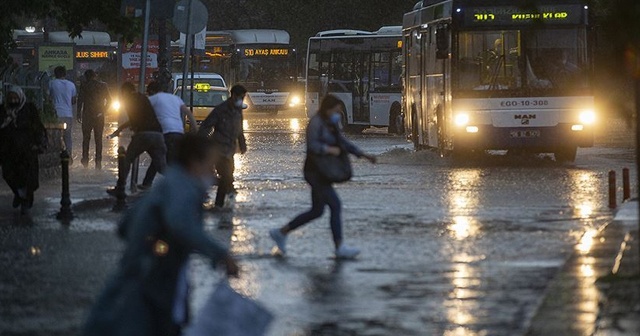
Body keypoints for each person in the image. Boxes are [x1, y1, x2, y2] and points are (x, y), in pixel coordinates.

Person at [82, 134, 239, 336]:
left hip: (136, 279)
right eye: (210, 165)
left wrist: (153, 241)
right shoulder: (184, 188)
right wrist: (221, 255)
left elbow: (125, 226)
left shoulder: (168, 183)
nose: (213, 173)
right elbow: (182, 225)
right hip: (156, 283)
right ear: (194, 162)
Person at [269, 94, 376, 259]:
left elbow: (343, 142)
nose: (338, 114)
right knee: (335, 205)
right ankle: (339, 247)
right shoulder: (316, 123)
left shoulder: (331, 124)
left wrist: (363, 155)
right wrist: (328, 149)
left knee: (316, 211)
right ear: (328, 109)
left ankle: (281, 232)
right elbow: (312, 145)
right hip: (314, 172)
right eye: (336, 110)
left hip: (324, 172)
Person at [107, 82, 166, 196]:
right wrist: (120, 129)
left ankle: (120, 187)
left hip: (144, 134)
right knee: (161, 166)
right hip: (158, 134)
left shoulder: (129, 100)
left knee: (127, 159)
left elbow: (134, 120)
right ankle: (184, 184)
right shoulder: (143, 98)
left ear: (125, 92)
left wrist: (131, 131)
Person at [197, 85, 248, 209]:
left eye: (244, 97)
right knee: (226, 175)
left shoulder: (238, 110)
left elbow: (239, 129)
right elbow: (206, 125)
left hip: (230, 149)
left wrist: (242, 144)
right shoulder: (221, 110)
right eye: (240, 97)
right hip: (218, 149)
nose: (242, 99)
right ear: (234, 95)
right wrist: (201, 143)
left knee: (228, 175)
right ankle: (218, 204)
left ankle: (224, 198)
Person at [139, 81, 197, 189]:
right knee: (160, 157)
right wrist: (195, 130)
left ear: (151, 91)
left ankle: (182, 182)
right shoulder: (175, 98)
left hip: (165, 133)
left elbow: (139, 114)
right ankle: (147, 183)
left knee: (165, 160)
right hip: (178, 132)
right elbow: (188, 113)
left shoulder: (153, 99)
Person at [0, 85, 47, 215]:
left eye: (16, 97)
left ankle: (25, 199)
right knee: (9, 174)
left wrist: (39, 143)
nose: (13, 100)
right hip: (8, 151)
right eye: (11, 98)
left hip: (27, 150)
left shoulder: (29, 109)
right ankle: (19, 194)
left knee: (27, 177)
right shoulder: (3, 111)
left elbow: (37, 126)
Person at [78, 69, 111, 169]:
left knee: (86, 138)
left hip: (87, 115)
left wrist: (78, 114)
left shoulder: (84, 86)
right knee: (98, 139)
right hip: (99, 115)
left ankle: (85, 159)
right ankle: (98, 161)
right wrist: (103, 111)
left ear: (86, 77)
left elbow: (80, 100)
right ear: (95, 76)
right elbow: (109, 100)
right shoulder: (103, 85)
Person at [48, 66, 77, 158]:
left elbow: (47, 97)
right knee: (67, 136)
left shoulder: (52, 83)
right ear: (65, 74)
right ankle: (68, 156)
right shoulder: (71, 85)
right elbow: (73, 100)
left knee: (56, 136)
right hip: (68, 114)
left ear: (55, 74)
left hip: (56, 114)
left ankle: (57, 156)